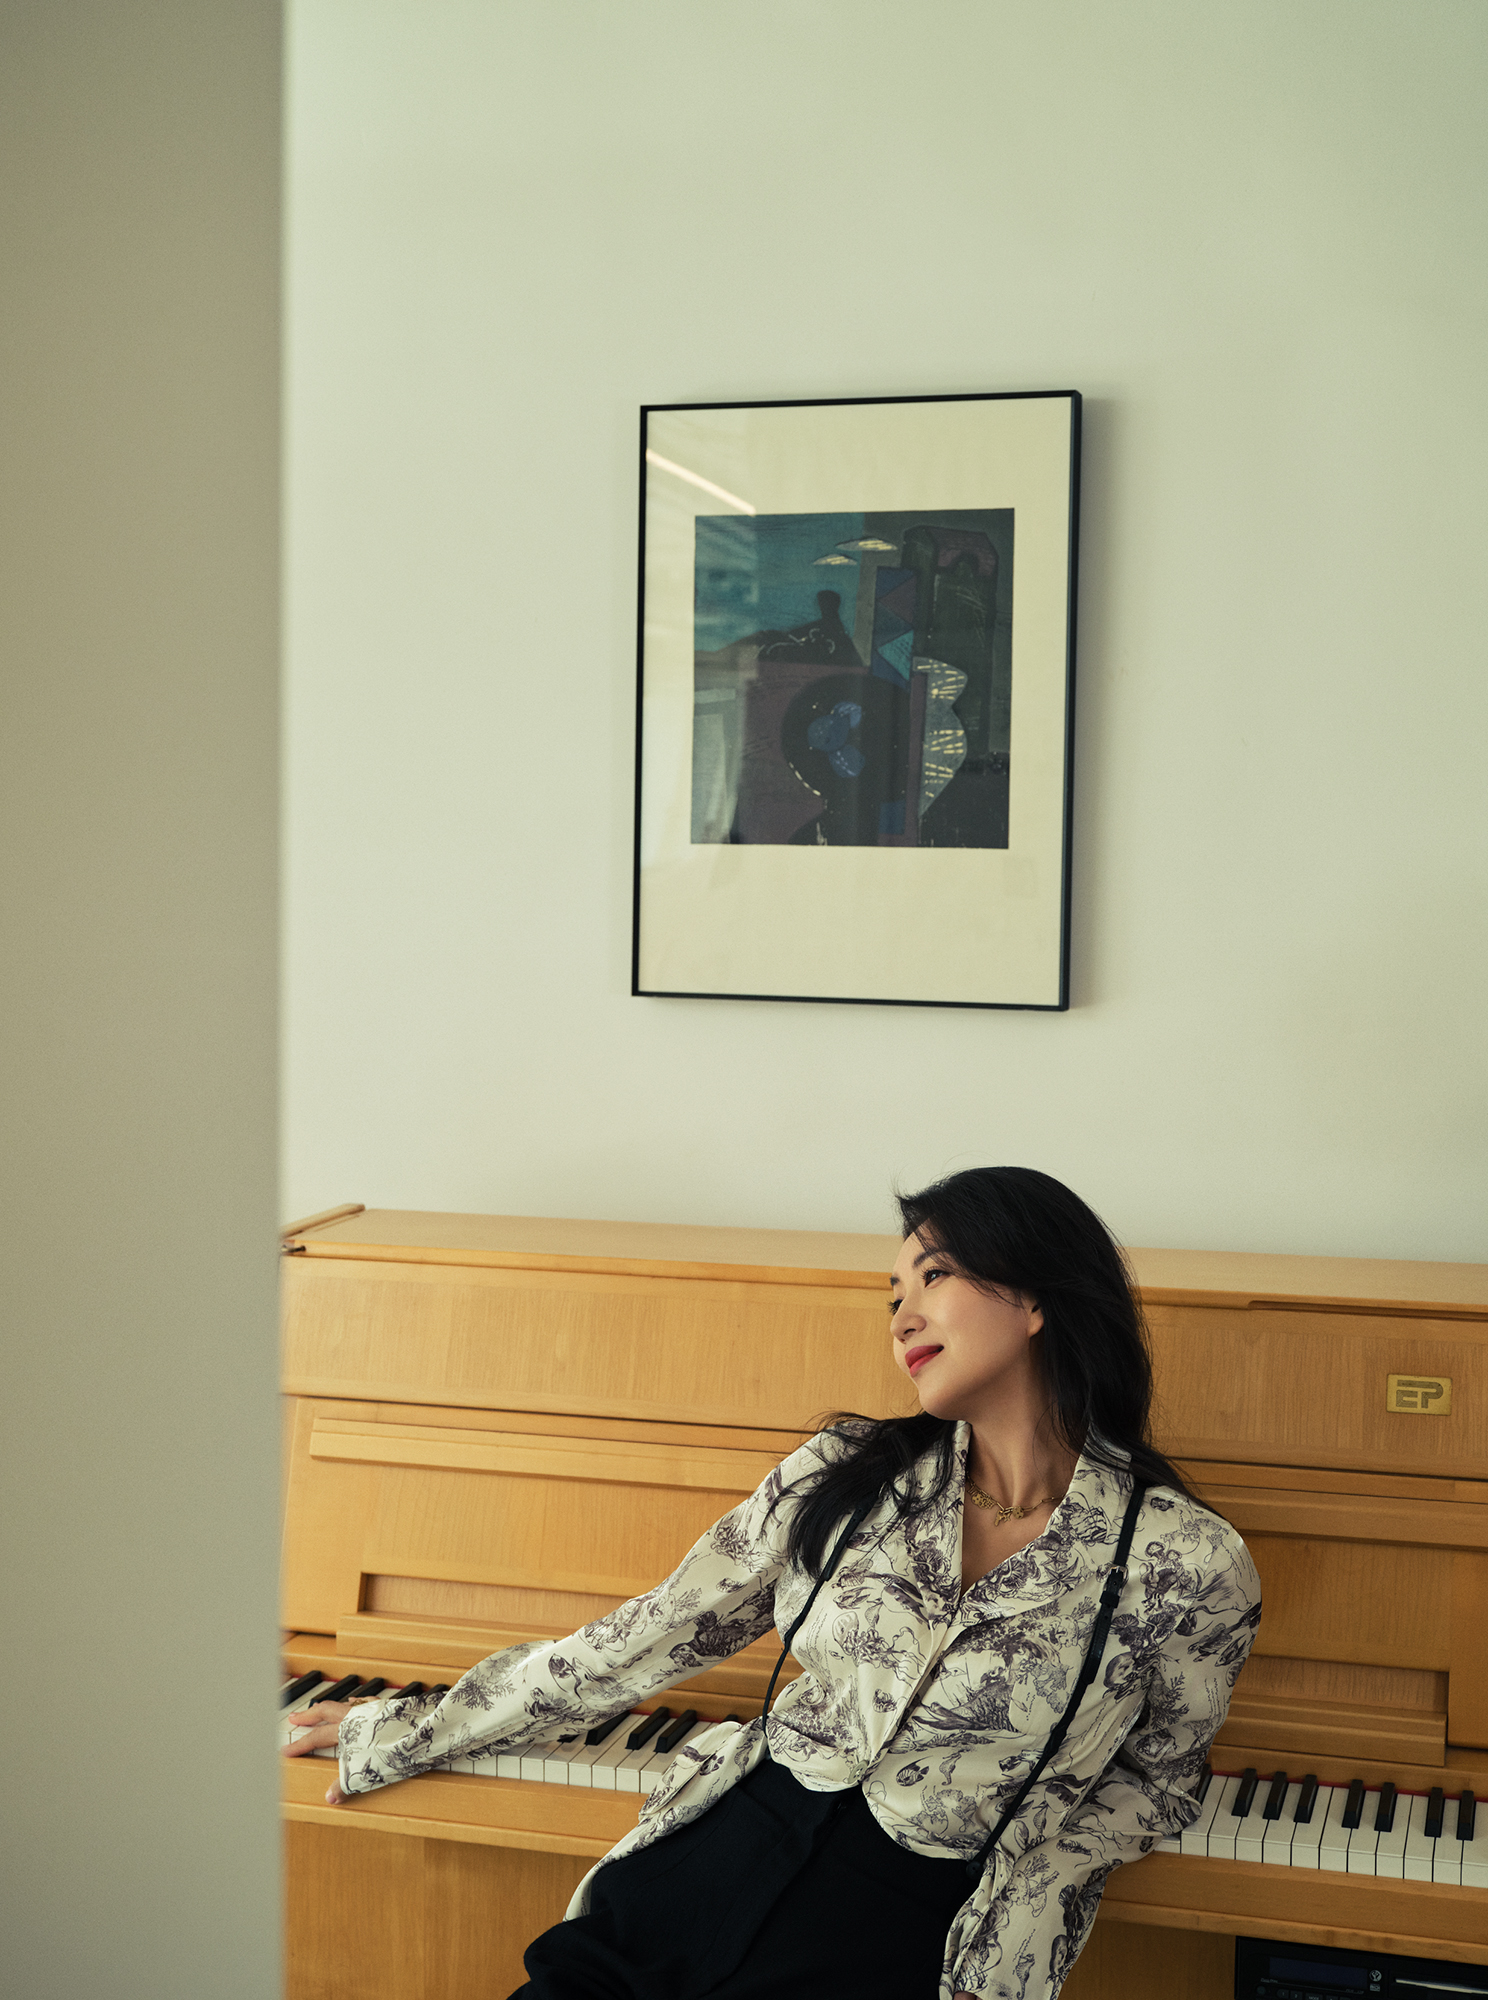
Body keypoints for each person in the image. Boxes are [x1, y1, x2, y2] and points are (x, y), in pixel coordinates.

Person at [285, 1167, 1262, 1999]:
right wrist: (415, 1727)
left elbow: (1160, 1782)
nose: (903, 1316)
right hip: (716, 1860)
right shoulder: (846, 1472)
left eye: (934, 1275)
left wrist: (1040, 1877)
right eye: (892, 1295)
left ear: (1036, 1295)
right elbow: (648, 1636)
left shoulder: (1186, 1560)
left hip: (908, 1929)